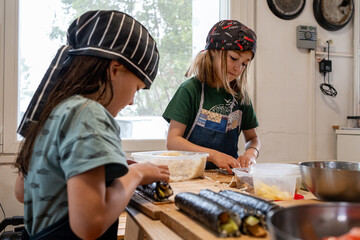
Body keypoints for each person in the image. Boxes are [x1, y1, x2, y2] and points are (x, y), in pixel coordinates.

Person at [14, 10, 169, 240]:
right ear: (115, 69)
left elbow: (22, 191)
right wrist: (135, 173)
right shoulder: (89, 113)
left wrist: (96, 167)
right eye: (137, 88)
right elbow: (90, 224)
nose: (131, 101)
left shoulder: (56, 111)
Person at [162, 20, 260, 174]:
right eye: (234, 58)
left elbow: (253, 139)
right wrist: (213, 155)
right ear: (214, 51)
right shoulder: (190, 90)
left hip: (227, 176)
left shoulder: (240, 96)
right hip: (189, 174)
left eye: (244, 64)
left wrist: (251, 153)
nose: (238, 68)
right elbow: (173, 141)